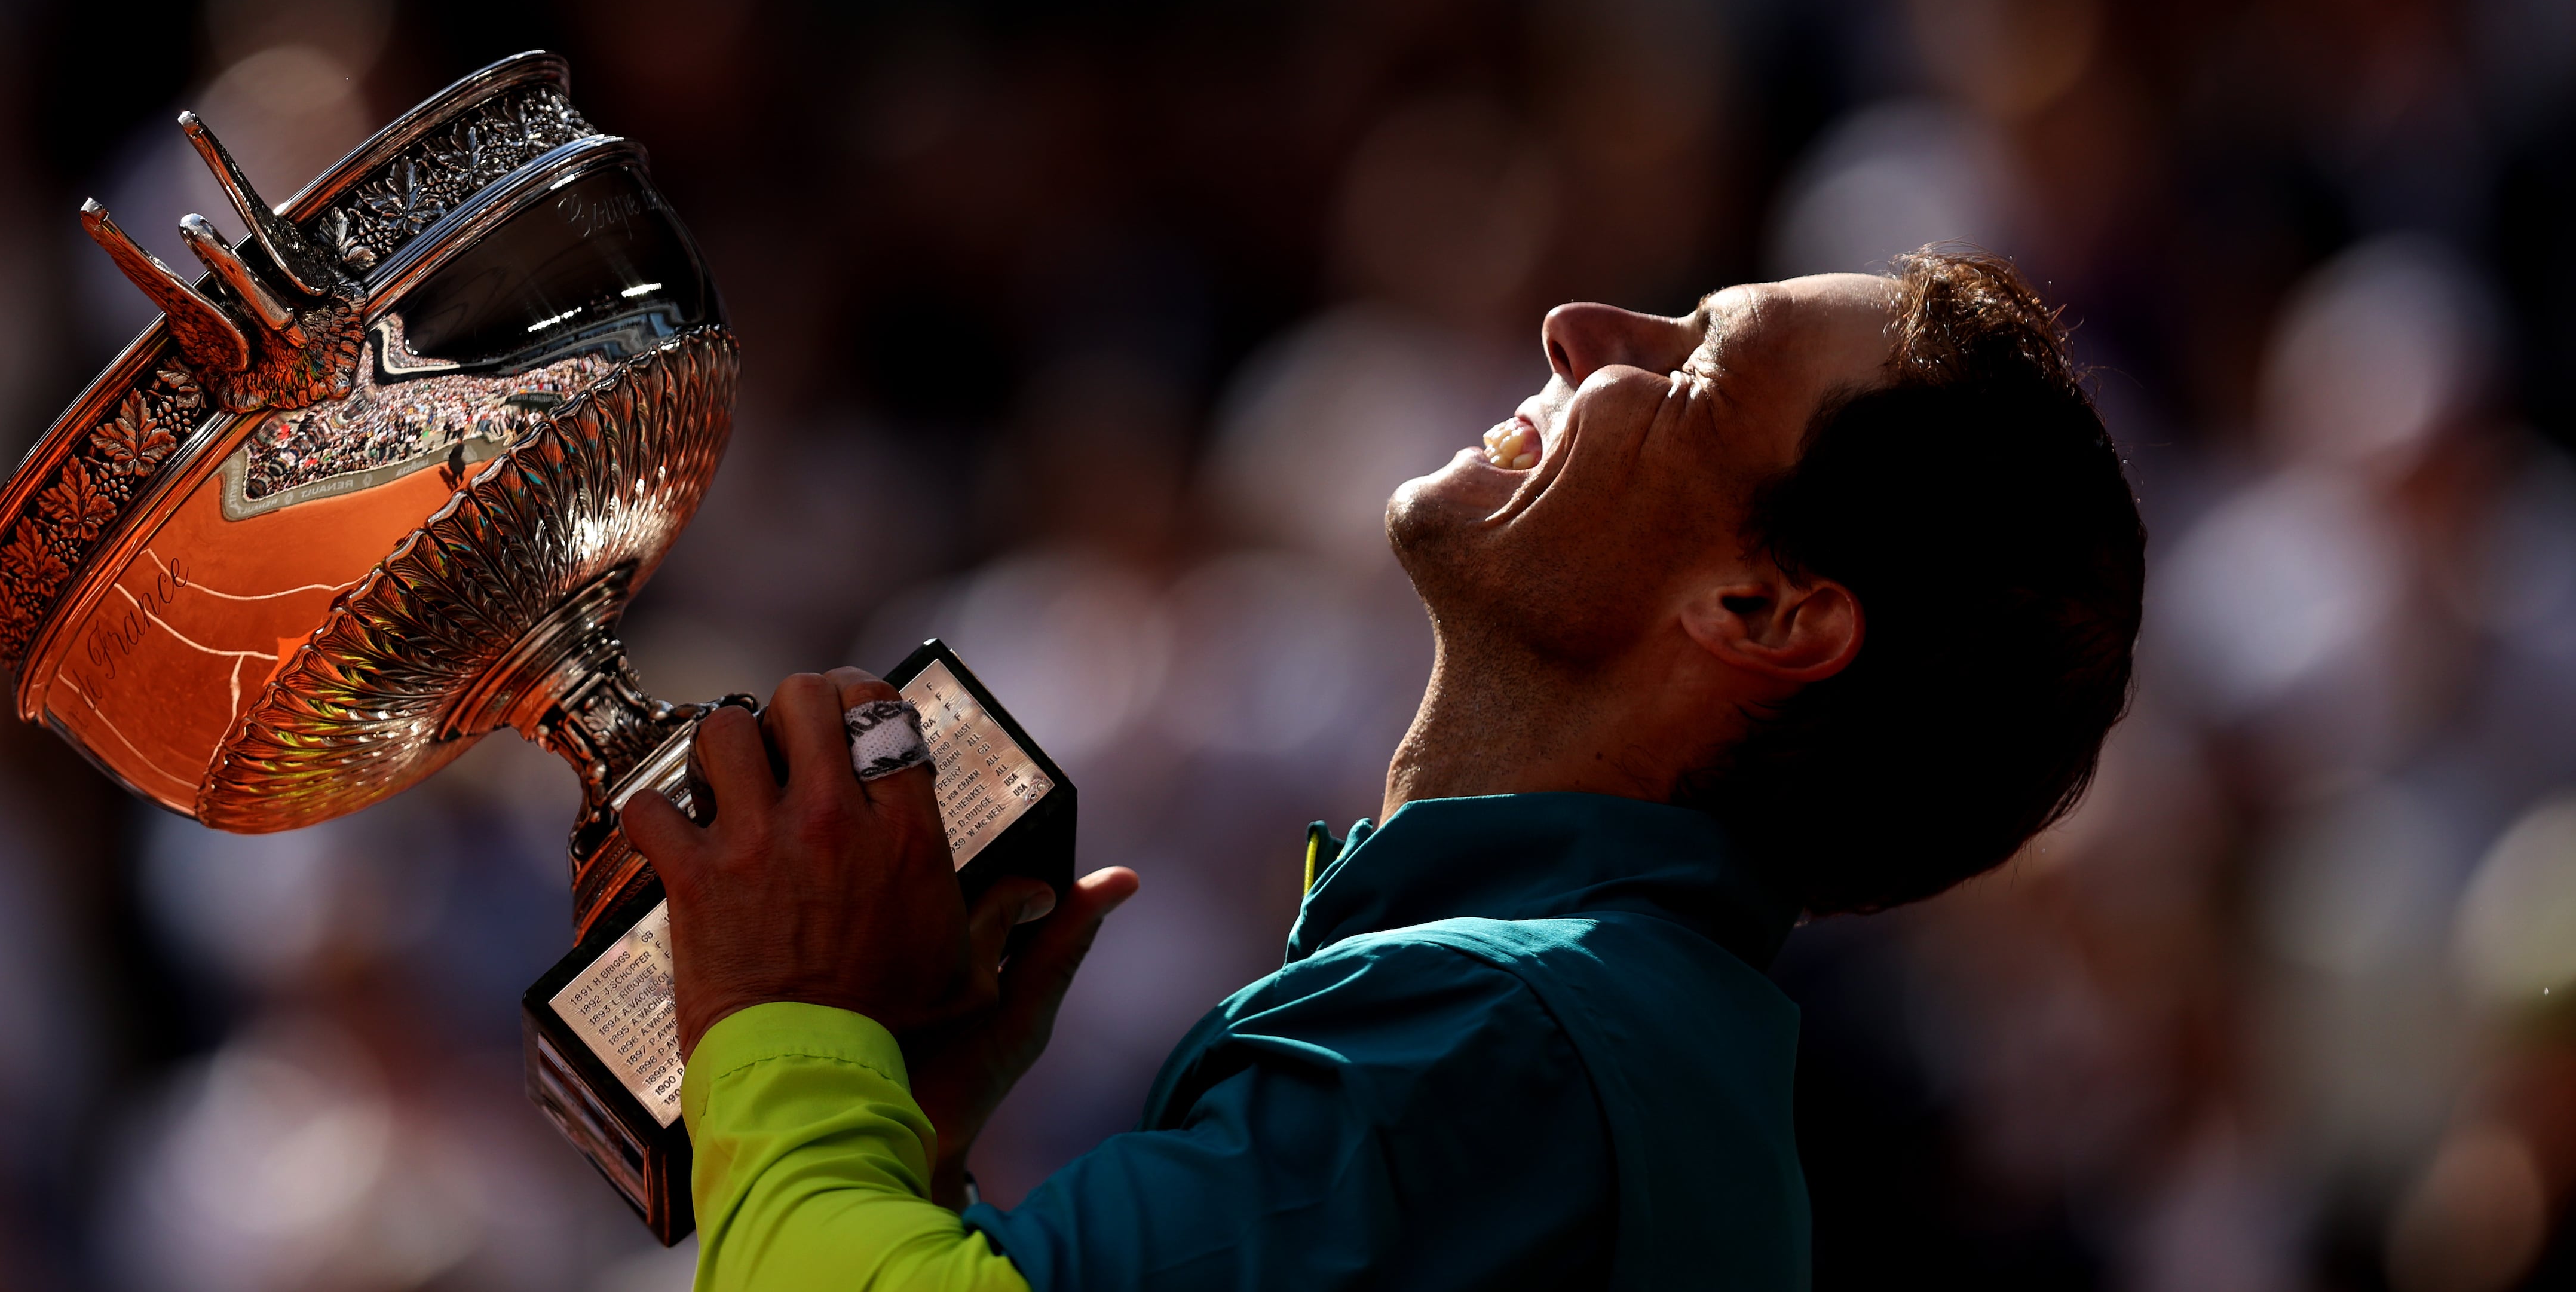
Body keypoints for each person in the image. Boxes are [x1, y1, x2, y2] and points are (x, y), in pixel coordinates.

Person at [621, 250, 2146, 1291]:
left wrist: (791, 1036)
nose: (1581, 327)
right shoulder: (1588, 1031)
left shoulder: (1510, 1037)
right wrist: (909, 1148)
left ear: (1761, 612)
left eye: (1691, 366)